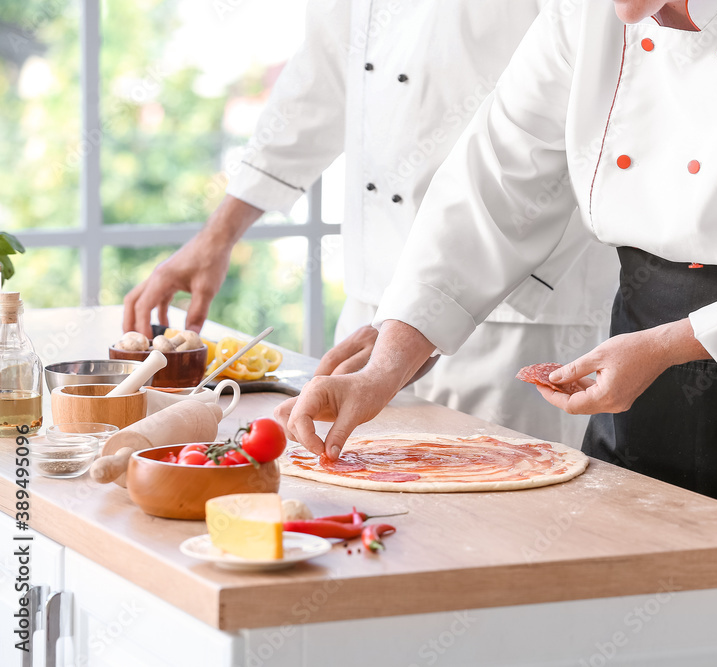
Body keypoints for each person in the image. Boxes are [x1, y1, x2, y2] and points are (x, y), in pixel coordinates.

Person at [273, 0, 717, 665]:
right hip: (653, 382)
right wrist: (386, 362)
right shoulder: (586, 14)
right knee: (640, 632)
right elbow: (492, 187)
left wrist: (667, 346)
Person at [121, 0, 619, 448]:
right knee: (361, 505)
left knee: (501, 520)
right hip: (373, 297)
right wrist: (218, 234)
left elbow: (574, 107)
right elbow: (319, 79)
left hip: (513, 311)